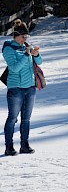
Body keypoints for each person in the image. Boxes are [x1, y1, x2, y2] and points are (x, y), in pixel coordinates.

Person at [2, 19, 43, 156]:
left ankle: (24, 145)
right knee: (13, 118)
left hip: (30, 87)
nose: (25, 39)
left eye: (27, 36)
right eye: (23, 36)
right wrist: (26, 54)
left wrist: (36, 55)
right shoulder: (9, 48)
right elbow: (14, 68)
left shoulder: (26, 46)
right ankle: (9, 146)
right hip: (16, 88)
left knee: (27, 118)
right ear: (16, 35)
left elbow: (40, 62)